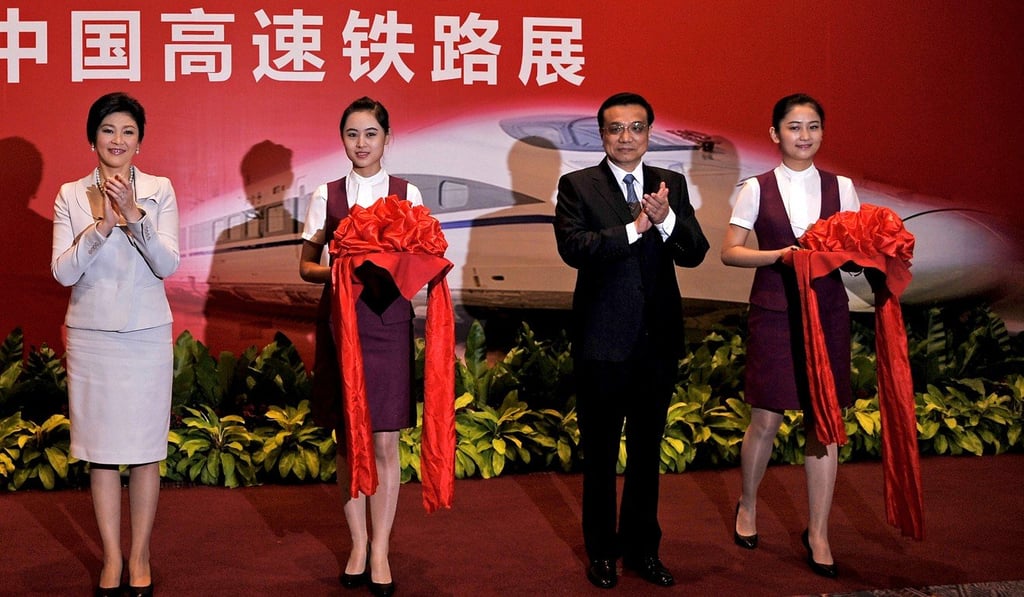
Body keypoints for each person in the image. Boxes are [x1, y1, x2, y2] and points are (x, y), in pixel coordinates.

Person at [553, 92, 710, 589]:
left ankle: (644, 549)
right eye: (616, 129)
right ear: (602, 135)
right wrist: (635, 226)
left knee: (646, 454)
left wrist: (665, 220)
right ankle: (602, 553)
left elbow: (695, 253)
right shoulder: (577, 185)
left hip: (656, 342)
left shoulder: (673, 186)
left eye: (636, 128)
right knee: (599, 455)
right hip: (602, 342)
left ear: (649, 133)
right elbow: (574, 249)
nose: (626, 137)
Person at [722, 93, 860, 578]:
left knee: (824, 424)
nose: (805, 136)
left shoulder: (842, 187)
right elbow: (730, 252)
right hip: (776, 312)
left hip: (828, 312)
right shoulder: (756, 188)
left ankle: (818, 531)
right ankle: (748, 504)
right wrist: (781, 255)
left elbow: (855, 257)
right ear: (774, 134)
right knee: (765, 419)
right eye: (795, 127)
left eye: (814, 126)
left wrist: (877, 257)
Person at [51, 92, 180, 597]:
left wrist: (135, 217)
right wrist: (104, 223)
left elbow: (168, 265)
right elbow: (63, 272)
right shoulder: (70, 194)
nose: (118, 140)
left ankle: (141, 554)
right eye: (108, 130)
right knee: (102, 454)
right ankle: (110, 557)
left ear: (139, 141)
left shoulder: (159, 190)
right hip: (92, 336)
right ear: (92, 138)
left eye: (128, 131)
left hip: (147, 335)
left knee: (146, 451)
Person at [299, 97, 423, 597]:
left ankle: (381, 550)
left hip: (389, 324)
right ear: (342, 139)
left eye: (371, 133)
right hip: (341, 324)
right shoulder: (325, 195)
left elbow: (423, 257)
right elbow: (305, 265)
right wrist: (341, 268)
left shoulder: (405, 192)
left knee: (386, 441)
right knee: (349, 442)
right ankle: (355, 543)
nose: (361, 143)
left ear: (387, 138)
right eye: (352, 134)